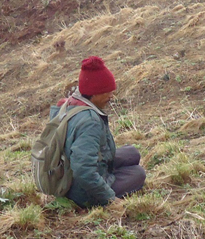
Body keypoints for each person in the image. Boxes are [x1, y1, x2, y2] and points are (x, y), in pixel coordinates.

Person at [48, 56, 146, 207]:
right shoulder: (89, 122)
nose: (111, 96)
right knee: (138, 173)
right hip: (82, 192)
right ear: (94, 93)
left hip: (66, 173)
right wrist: (110, 198)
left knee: (132, 153)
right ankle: (105, 181)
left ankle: (108, 173)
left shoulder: (69, 105)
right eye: (107, 91)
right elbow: (83, 171)